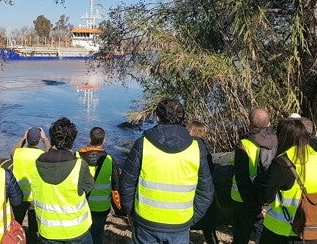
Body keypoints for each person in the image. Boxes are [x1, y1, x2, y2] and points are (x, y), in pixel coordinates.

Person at [119, 99, 214, 244]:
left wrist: (130, 211)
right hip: (179, 225)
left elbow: (126, 183)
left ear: (158, 118)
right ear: (183, 118)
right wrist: (191, 219)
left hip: (146, 222)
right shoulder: (197, 148)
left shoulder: (143, 143)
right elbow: (206, 192)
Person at [256, 118, 317, 244]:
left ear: (283, 137)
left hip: (283, 230)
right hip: (315, 228)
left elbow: (267, 195)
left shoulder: (282, 162)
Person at [29, 117, 95, 244]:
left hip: (48, 232)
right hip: (77, 231)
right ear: (72, 140)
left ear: (52, 137)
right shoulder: (79, 166)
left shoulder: (36, 165)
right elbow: (88, 187)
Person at [230, 107, 277, 244]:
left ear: (248, 122)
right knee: (262, 238)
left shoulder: (244, 145)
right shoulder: (277, 143)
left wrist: (254, 208)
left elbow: (242, 179)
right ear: (269, 123)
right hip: (267, 202)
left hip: (242, 202)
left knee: (240, 239)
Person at [76, 127, 120, 244]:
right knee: (97, 234)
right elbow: (116, 186)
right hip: (101, 207)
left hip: (81, 204)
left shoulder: (78, 156)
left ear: (89, 138)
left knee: (81, 234)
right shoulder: (109, 160)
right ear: (104, 140)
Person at [10, 127, 50, 244]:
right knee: (34, 229)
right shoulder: (41, 155)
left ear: (27, 139)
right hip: (35, 196)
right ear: (38, 140)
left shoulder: (18, 153)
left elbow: (12, 152)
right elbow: (50, 153)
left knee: (16, 224)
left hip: (19, 195)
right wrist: (45, 139)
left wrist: (22, 138)